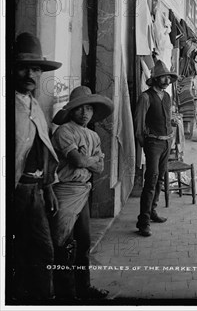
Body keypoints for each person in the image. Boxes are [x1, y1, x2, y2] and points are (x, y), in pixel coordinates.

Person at [50, 86, 113, 300]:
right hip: (65, 192)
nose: (84, 113)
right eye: (79, 109)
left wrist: (89, 161)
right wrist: (90, 161)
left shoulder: (93, 136)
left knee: (83, 242)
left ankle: (84, 289)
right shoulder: (64, 131)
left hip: (83, 192)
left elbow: (100, 168)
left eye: (89, 108)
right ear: (71, 111)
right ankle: (66, 295)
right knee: (63, 244)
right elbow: (77, 160)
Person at [12, 32, 61, 301]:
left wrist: (48, 188)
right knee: (15, 253)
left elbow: (43, 150)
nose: (30, 74)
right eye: (23, 67)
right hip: (14, 192)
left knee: (43, 250)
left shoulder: (35, 106)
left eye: (36, 69)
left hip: (34, 193)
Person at [134, 60, 178, 237]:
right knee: (151, 181)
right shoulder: (145, 97)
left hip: (167, 142)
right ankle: (143, 222)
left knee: (160, 179)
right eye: (164, 77)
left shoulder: (167, 97)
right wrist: (147, 144)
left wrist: (171, 135)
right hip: (153, 144)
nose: (167, 80)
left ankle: (152, 211)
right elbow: (138, 125)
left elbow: (167, 119)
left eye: (168, 77)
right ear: (156, 79)